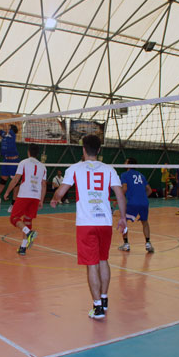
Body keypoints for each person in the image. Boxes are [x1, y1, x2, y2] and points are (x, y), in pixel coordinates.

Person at [50, 134, 127, 320]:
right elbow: (120, 195)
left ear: (83, 150)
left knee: (91, 264)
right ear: (99, 150)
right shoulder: (110, 169)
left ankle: (97, 307)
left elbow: (61, 191)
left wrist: (55, 199)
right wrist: (123, 218)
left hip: (86, 223)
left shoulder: (74, 169)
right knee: (103, 260)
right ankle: (104, 298)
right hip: (105, 222)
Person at [3, 144, 47, 255]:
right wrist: (41, 200)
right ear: (37, 153)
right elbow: (44, 185)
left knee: (14, 218)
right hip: (36, 197)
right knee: (27, 220)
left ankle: (28, 232)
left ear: (28, 152)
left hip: (24, 195)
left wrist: (7, 191)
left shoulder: (23, 162)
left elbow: (16, 179)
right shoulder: (43, 166)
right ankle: (23, 248)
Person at [119, 158, 154, 253]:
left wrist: (119, 198)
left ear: (129, 164)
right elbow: (149, 190)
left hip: (133, 202)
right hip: (144, 202)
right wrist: (141, 197)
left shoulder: (124, 175)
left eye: (125, 162)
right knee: (145, 222)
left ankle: (126, 244)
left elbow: (125, 188)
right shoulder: (141, 175)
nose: (124, 163)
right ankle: (148, 243)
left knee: (124, 221)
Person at [0, 125, 20, 214]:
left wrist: (7, 126)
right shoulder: (4, 135)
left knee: (15, 183)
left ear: (11, 130)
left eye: (9, 127)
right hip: (6, 160)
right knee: (3, 180)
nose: (6, 127)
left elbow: (6, 128)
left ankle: (13, 204)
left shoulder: (12, 135)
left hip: (13, 161)